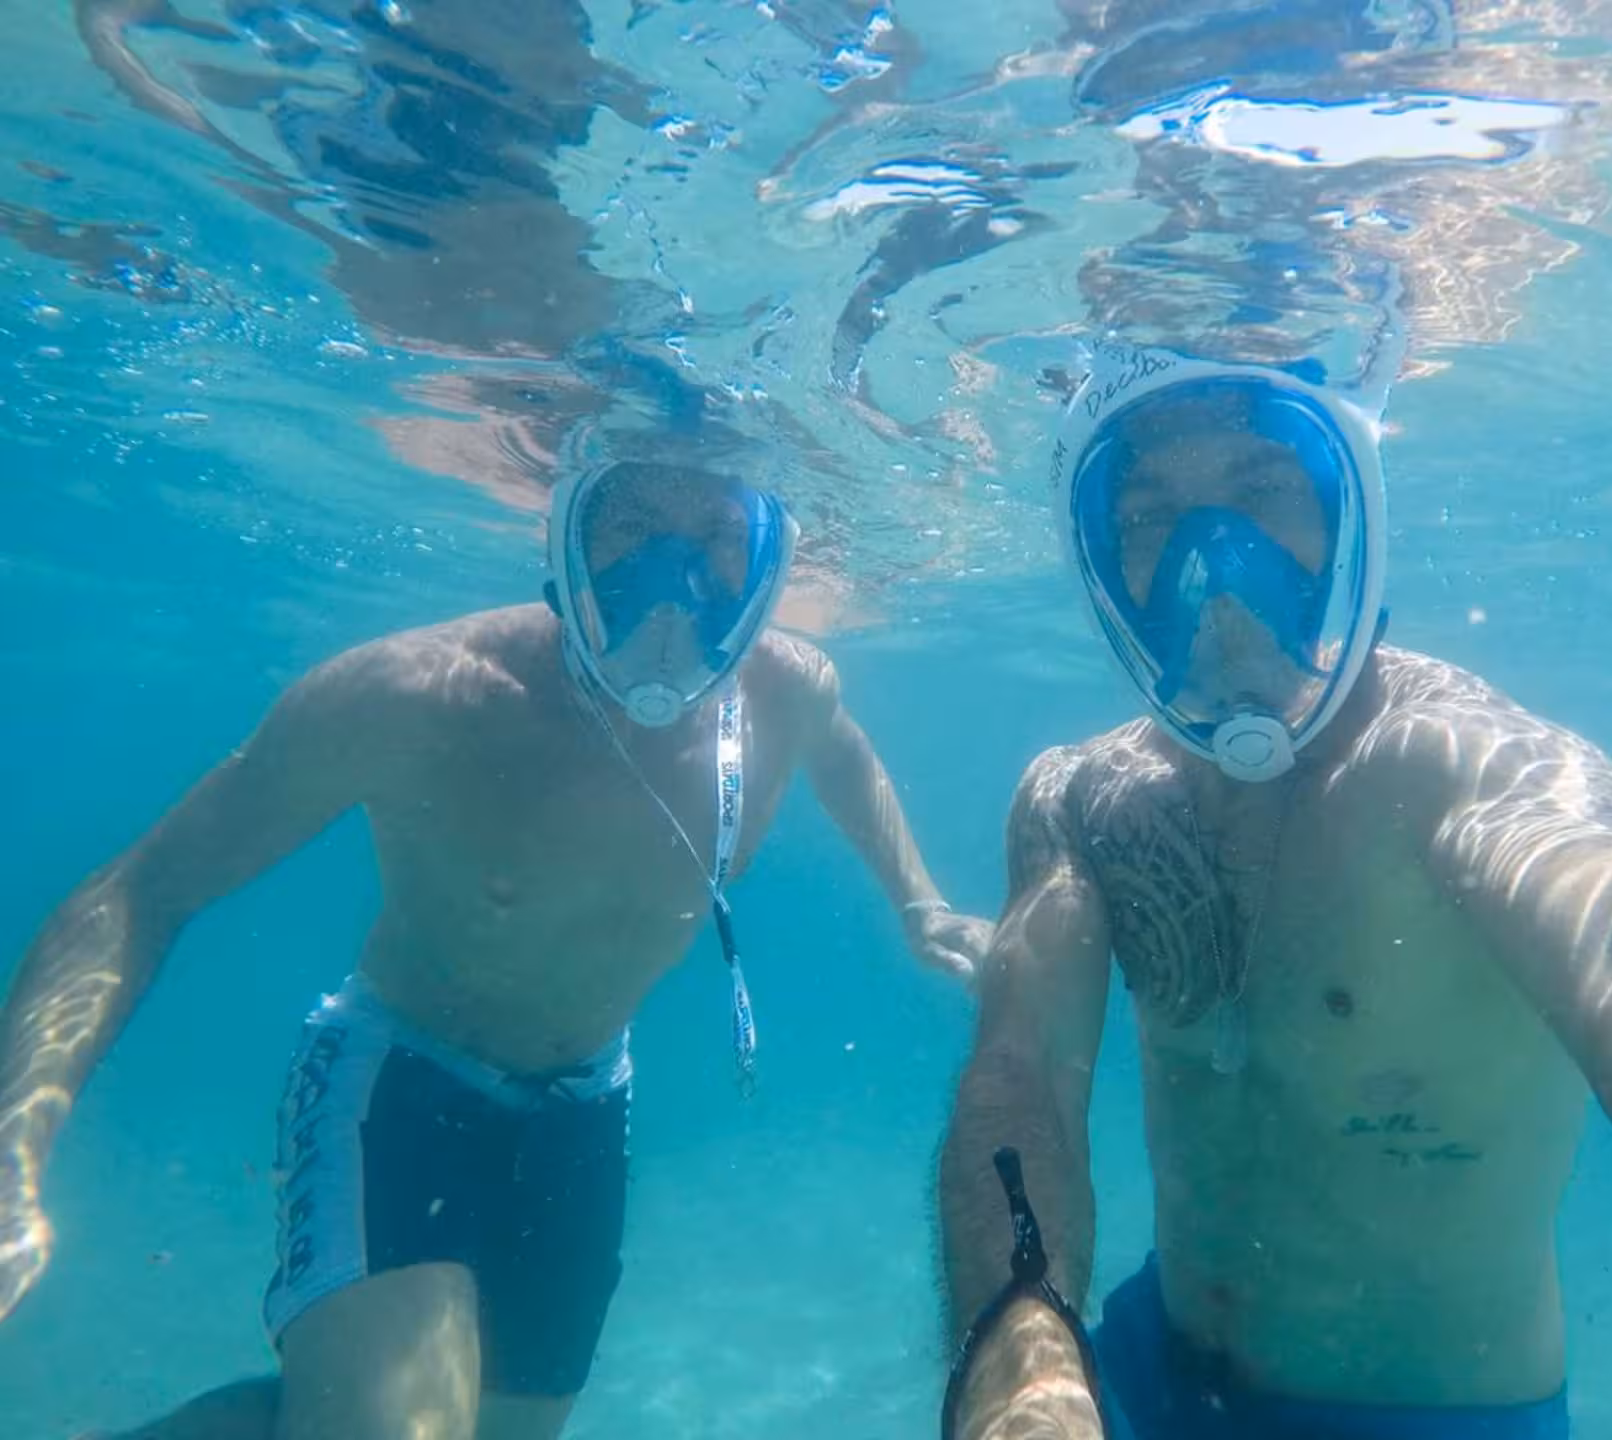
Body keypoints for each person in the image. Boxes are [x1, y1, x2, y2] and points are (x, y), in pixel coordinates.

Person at [938, 343, 1612, 1440]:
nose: (1207, 566)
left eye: (1262, 491)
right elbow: (1020, 1074)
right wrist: (1018, 1372)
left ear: (1352, 513)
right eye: (1148, 515)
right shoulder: (1083, 795)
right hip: (1139, 1359)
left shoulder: (1464, 770)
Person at [0, 458, 991, 1440]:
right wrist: (15, 1141)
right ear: (563, 538)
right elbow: (142, 888)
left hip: (588, 1104)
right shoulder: (415, 698)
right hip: (401, 1080)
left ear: (769, 559)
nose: (671, 586)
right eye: (632, 526)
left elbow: (846, 760)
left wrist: (920, 902)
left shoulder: (789, 691)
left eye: (718, 540)